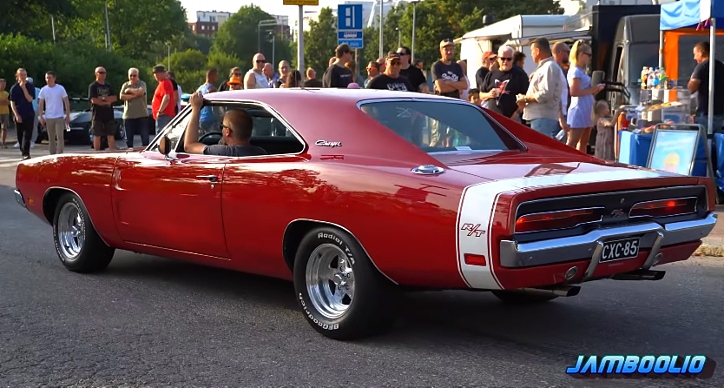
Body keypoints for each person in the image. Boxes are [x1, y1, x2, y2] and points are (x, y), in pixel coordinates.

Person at [182, 92, 268, 157]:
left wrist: (195, 108)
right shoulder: (261, 153)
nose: (221, 129)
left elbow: (189, 146)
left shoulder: (222, 151)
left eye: (221, 126)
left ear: (227, 131)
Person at [518, 38, 565, 137]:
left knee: (541, 149)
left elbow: (545, 94)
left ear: (537, 51)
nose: (531, 54)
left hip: (543, 117)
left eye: (532, 51)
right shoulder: (545, 67)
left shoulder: (549, 67)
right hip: (540, 117)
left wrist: (525, 98)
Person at [566, 41, 603, 152]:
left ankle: (580, 163)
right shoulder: (575, 71)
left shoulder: (581, 71)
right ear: (581, 54)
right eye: (589, 55)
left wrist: (595, 90)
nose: (590, 58)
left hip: (586, 108)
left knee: (583, 142)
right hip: (579, 109)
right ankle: (566, 161)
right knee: (573, 141)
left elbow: (584, 91)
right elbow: (574, 91)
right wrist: (593, 89)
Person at [688, 41, 724, 132]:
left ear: (700, 53)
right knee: (717, 141)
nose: (694, 57)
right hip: (720, 112)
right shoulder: (721, 65)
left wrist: (692, 77)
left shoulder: (701, 67)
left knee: (703, 140)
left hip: (705, 111)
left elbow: (691, 88)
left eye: (695, 54)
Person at [37, 71, 71, 154]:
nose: (48, 80)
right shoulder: (43, 90)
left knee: (59, 136)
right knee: (51, 137)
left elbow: (66, 101)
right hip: (49, 117)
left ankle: (60, 153)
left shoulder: (60, 88)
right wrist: (41, 116)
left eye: (49, 78)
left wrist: (67, 114)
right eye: (46, 78)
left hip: (59, 116)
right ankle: (52, 154)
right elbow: (41, 103)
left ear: (54, 78)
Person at [88, 66, 118, 152]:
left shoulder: (109, 85)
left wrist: (102, 99)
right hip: (97, 114)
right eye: (101, 72)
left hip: (109, 114)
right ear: (96, 74)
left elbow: (114, 98)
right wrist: (106, 101)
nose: (103, 74)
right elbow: (94, 100)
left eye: (104, 73)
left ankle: (112, 151)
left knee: (111, 134)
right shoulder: (93, 86)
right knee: (97, 135)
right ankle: (96, 152)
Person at [9, 68, 36, 159]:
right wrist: (16, 114)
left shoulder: (29, 86)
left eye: (25, 75)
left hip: (29, 114)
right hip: (19, 113)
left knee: (27, 135)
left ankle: (26, 153)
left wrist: (24, 88)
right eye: (21, 75)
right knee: (20, 135)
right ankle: (23, 151)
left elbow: (30, 99)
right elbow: (12, 102)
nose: (23, 77)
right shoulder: (14, 88)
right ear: (17, 76)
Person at [151, 64, 176, 133]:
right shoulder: (164, 83)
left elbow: (166, 97)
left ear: (162, 73)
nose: (155, 75)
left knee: (160, 136)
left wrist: (160, 111)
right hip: (166, 114)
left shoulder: (164, 83)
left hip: (164, 115)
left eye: (156, 73)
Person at [0, 78, 9, 148]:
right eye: (2, 84)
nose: (3, 85)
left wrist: (3, 101)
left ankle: (3, 142)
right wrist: (4, 101)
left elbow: (9, 102)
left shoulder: (7, 93)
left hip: (5, 112)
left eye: (4, 84)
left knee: (4, 128)